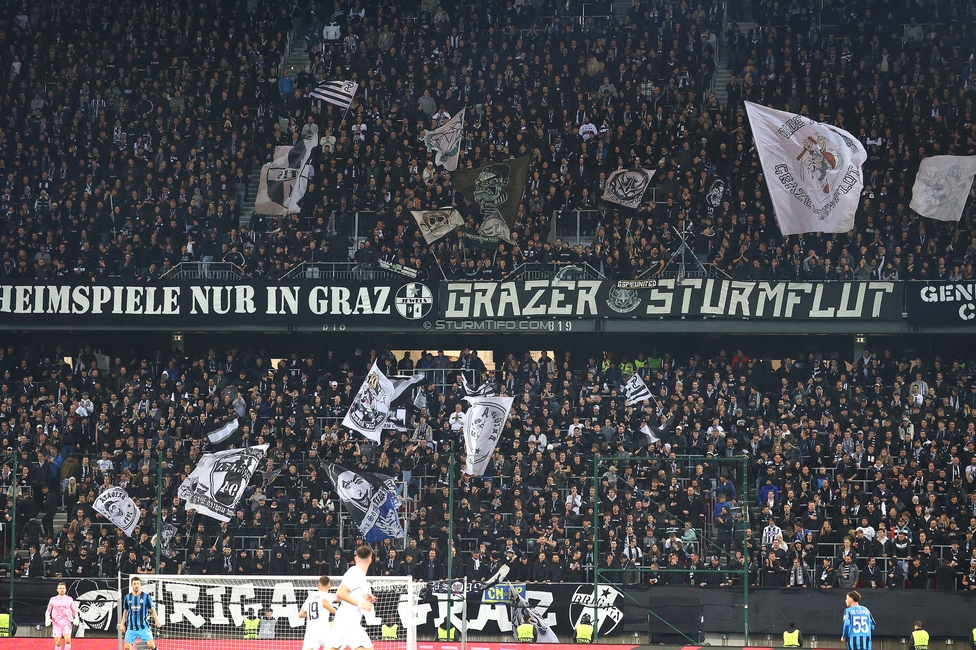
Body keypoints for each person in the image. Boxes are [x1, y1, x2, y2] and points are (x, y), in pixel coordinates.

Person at [331, 546, 377, 650]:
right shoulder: (356, 573)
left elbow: (339, 598)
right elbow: (340, 594)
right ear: (370, 560)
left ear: (355, 558)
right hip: (349, 621)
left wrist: (365, 597)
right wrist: (361, 604)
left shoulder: (356, 574)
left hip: (343, 619)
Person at [120, 577, 161, 650]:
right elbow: (125, 611)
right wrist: (122, 623)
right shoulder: (127, 597)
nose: (136, 585)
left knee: (151, 645)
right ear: (131, 585)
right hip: (131, 628)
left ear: (140, 585)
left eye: (138, 584)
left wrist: (157, 620)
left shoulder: (146, 596)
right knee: (127, 647)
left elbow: (152, 610)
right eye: (134, 584)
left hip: (143, 627)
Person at [300, 575, 338, 650]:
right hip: (322, 628)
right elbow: (324, 603)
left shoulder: (310, 596)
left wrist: (312, 614)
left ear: (318, 585)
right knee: (335, 646)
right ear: (329, 586)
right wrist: (337, 613)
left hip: (310, 630)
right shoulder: (327, 595)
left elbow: (301, 614)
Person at [46, 582, 80, 650]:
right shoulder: (53, 599)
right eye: (60, 588)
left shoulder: (69, 599)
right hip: (57, 623)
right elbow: (48, 610)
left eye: (63, 588)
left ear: (65, 589)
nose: (62, 590)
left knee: (67, 640)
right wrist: (47, 617)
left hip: (66, 623)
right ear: (57, 590)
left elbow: (74, 609)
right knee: (58, 642)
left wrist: (76, 617)